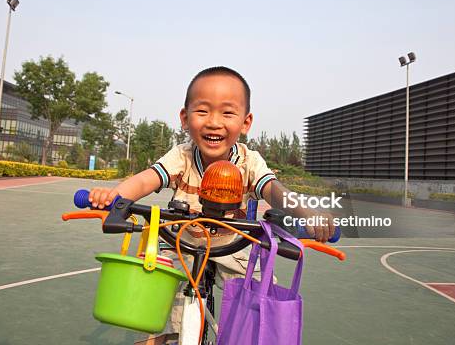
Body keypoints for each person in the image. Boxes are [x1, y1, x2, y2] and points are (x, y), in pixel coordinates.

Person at [89, 66, 335, 344]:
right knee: (158, 286)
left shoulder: (249, 161)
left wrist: (307, 213)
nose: (214, 122)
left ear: (245, 122)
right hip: (182, 242)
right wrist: (115, 198)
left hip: (236, 245)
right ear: (184, 118)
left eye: (228, 113)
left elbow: (273, 191)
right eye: (202, 111)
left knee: (259, 299)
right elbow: (146, 180)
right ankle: (165, 335)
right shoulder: (180, 156)